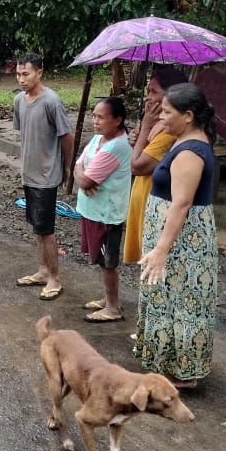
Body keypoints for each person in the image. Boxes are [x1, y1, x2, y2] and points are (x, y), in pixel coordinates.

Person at [136, 83, 218, 389]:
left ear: (188, 116)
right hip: (175, 239)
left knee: (182, 301)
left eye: (167, 112)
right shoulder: (183, 140)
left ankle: (184, 373)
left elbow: (182, 204)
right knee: (168, 298)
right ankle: (170, 364)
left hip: (183, 242)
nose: (162, 116)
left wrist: (161, 249)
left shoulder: (191, 152)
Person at [12, 52, 74, 299]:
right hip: (29, 173)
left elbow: (66, 136)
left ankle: (55, 279)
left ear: (39, 73)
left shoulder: (52, 101)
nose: (21, 79)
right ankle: (42, 271)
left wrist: (67, 167)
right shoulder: (19, 100)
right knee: (37, 227)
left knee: (47, 230)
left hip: (47, 176)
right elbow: (24, 133)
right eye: (18, 74)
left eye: (26, 74)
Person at [73, 97, 132, 322]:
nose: (95, 121)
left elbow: (85, 179)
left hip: (107, 213)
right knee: (100, 258)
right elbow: (79, 164)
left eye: (101, 117)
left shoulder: (117, 146)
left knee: (108, 261)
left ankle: (113, 308)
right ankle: (109, 299)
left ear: (117, 120)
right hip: (94, 210)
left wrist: (82, 176)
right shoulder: (99, 138)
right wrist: (82, 174)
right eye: (94, 116)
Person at [124, 68, 190, 264]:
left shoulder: (169, 132)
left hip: (158, 206)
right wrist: (138, 139)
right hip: (145, 199)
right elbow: (139, 154)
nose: (148, 98)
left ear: (171, 96)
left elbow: (137, 166)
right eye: (147, 91)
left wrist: (145, 126)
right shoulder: (158, 126)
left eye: (153, 92)